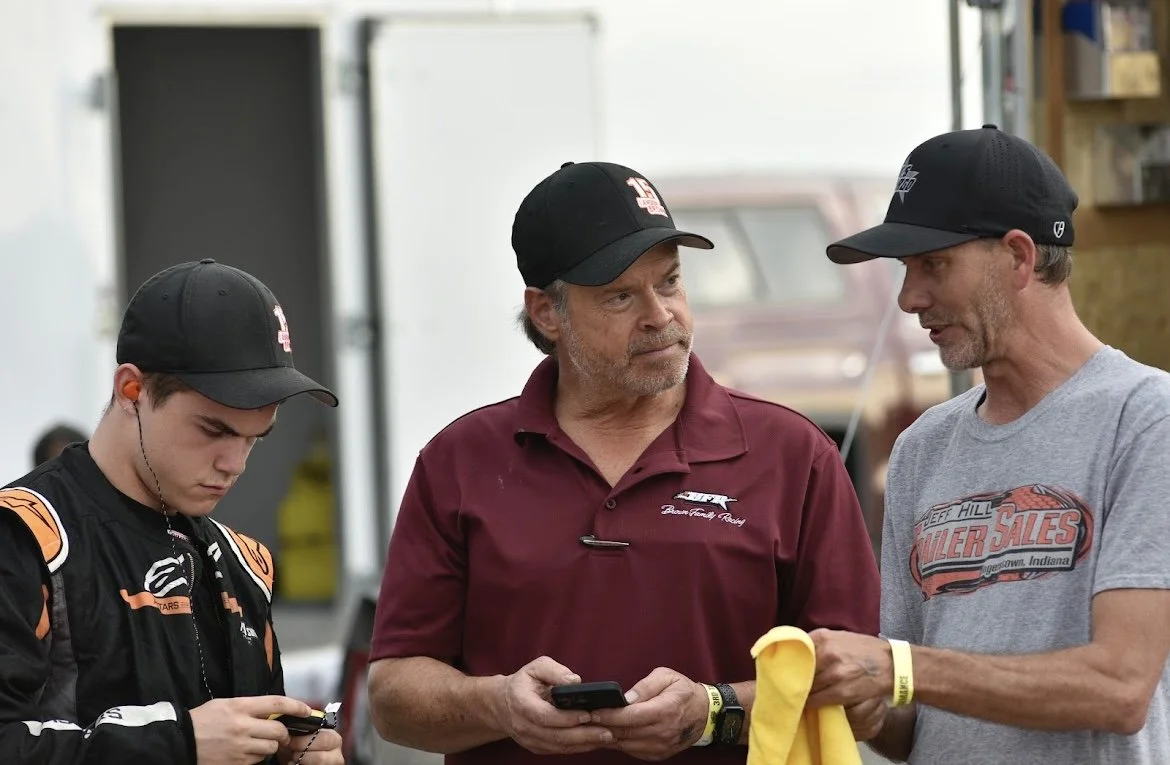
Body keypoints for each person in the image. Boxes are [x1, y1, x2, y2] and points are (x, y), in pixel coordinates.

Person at [365, 160, 880, 763]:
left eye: (670, 282)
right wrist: (498, 705)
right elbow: (392, 698)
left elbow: (863, 691)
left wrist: (714, 712)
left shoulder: (794, 455)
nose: (660, 316)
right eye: (620, 296)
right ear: (547, 313)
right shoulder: (458, 462)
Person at [808, 124, 1170, 764]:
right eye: (905, 269)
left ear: (1019, 258)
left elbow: (1119, 688)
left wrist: (897, 667)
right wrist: (868, 705)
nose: (909, 298)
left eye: (933, 264)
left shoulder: (1145, 418)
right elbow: (909, 718)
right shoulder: (923, 447)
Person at [0, 259, 345, 765]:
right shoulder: (25, 535)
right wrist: (179, 743)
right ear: (131, 391)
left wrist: (293, 754)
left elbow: (237, 741)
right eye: (214, 430)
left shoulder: (246, 563)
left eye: (255, 438)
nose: (235, 464)